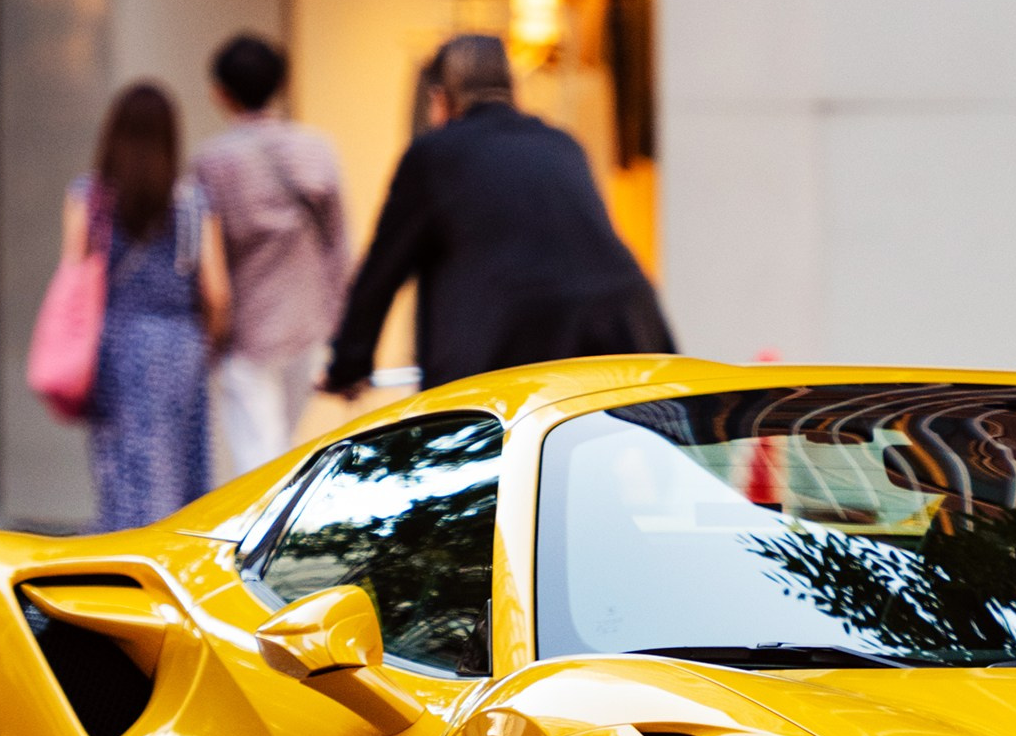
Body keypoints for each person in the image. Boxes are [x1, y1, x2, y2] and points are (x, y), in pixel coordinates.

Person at [325, 32, 672, 398]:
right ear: (513, 90)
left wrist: (348, 365)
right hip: (619, 331)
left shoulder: (434, 155)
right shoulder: (562, 144)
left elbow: (383, 270)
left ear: (440, 99)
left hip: (504, 344)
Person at [59, 81, 229, 529]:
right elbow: (216, 292)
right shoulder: (193, 201)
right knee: (183, 466)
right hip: (180, 344)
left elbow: (75, 275)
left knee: (122, 469)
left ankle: (124, 559)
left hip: (115, 344)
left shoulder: (89, 197)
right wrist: (206, 342)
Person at [190, 31, 350, 475]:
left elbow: (207, 258)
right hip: (309, 323)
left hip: (247, 329)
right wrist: (345, 323)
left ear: (220, 94)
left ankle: (264, 545)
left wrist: (209, 332)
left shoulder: (211, 163)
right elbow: (339, 242)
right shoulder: (316, 148)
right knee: (289, 450)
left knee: (259, 463)